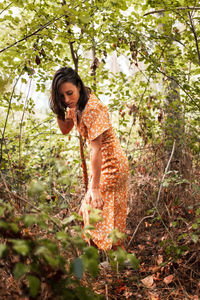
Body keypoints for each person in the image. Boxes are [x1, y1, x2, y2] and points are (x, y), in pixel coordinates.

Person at [50, 67, 129, 251]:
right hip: (107, 164)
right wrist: (58, 108)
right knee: (106, 214)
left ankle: (97, 263)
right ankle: (120, 261)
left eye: (69, 93)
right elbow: (65, 129)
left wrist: (94, 188)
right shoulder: (76, 105)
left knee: (91, 210)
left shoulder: (93, 108)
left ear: (79, 85)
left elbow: (96, 148)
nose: (67, 99)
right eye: (61, 96)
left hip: (112, 164)